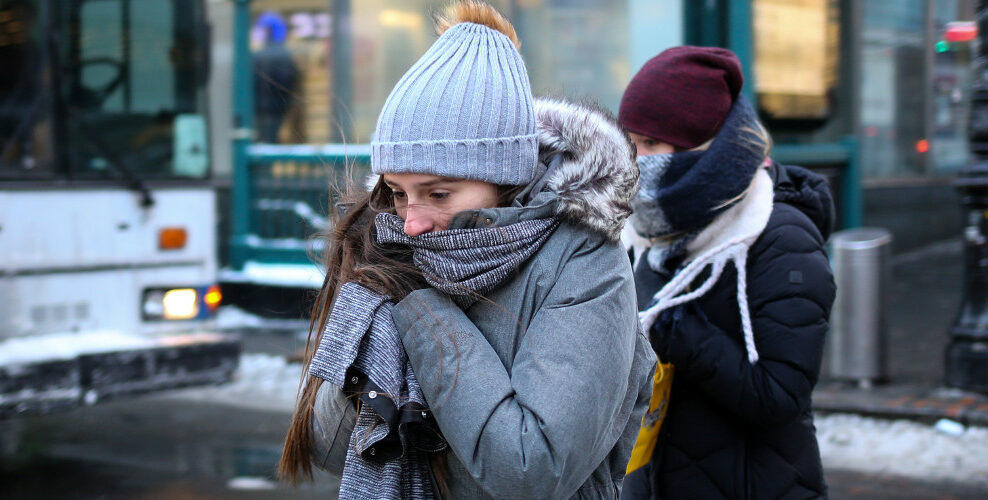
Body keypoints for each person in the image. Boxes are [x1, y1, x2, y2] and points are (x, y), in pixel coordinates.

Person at [278, 2, 655, 499]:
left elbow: (530, 470)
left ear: (505, 178)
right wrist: (371, 325)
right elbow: (327, 447)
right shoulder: (397, 247)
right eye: (397, 192)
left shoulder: (583, 262)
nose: (411, 222)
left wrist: (422, 311)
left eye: (438, 194)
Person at [617, 46, 836, 499]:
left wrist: (675, 329)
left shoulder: (781, 238)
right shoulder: (644, 233)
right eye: (629, 141)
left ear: (701, 148)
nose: (634, 159)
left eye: (650, 143)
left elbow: (779, 396)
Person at [252, 11, 298, 143]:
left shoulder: (261, 55)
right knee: (268, 139)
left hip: (263, 109)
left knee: (264, 140)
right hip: (275, 109)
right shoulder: (283, 55)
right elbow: (288, 82)